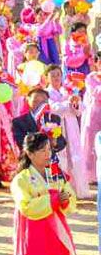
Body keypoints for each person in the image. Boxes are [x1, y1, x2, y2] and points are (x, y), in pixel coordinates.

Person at [45, 65, 88, 197]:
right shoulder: (46, 92)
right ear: (47, 78)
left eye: (58, 74)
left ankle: (77, 189)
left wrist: (75, 103)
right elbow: (53, 107)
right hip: (57, 127)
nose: (56, 78)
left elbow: (80, 109)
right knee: (61, 156)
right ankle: (61, 190)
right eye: (53, 75)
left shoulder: (67, 90)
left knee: (74, 155)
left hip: (71, 125)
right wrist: (68, 103)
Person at [13, 89, 68, 163]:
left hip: (51, 163)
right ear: (27, 101)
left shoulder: (53, 118)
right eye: (35, 101)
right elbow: (21, 144)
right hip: (30, 164)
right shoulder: (19, 122)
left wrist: (55, 143)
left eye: (43, 102)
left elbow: (62, 142)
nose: (40, 105)